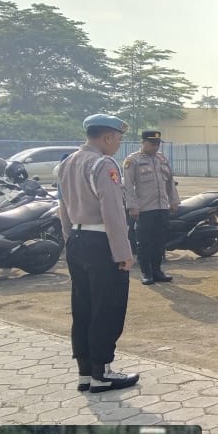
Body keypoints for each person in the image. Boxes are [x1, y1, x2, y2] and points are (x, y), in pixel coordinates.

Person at [56, 114, 139, 393]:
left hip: (77, 240)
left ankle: (85, 373)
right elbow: (113, 212)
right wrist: (123, 253)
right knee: (107, 308)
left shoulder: (67, 163)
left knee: (83, 308)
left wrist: (71, 240)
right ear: (107, 137)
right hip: (102, 243)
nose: (118, 144)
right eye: (118, 139)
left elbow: (62, 207)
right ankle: (102, 373)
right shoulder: (103, 164)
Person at [122, 130, 180, 286]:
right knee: (144, 242)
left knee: (159, 241)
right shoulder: (133, 160)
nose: (155, 147)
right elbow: (128, 186)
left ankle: (157, 270)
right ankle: (146, 273)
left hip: (162, 207)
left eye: (157, 144)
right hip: (144, 209)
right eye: (152, 144)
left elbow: (170, 181)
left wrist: (174, 200)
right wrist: (132, 206)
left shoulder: (162, 159)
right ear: (143, 143)